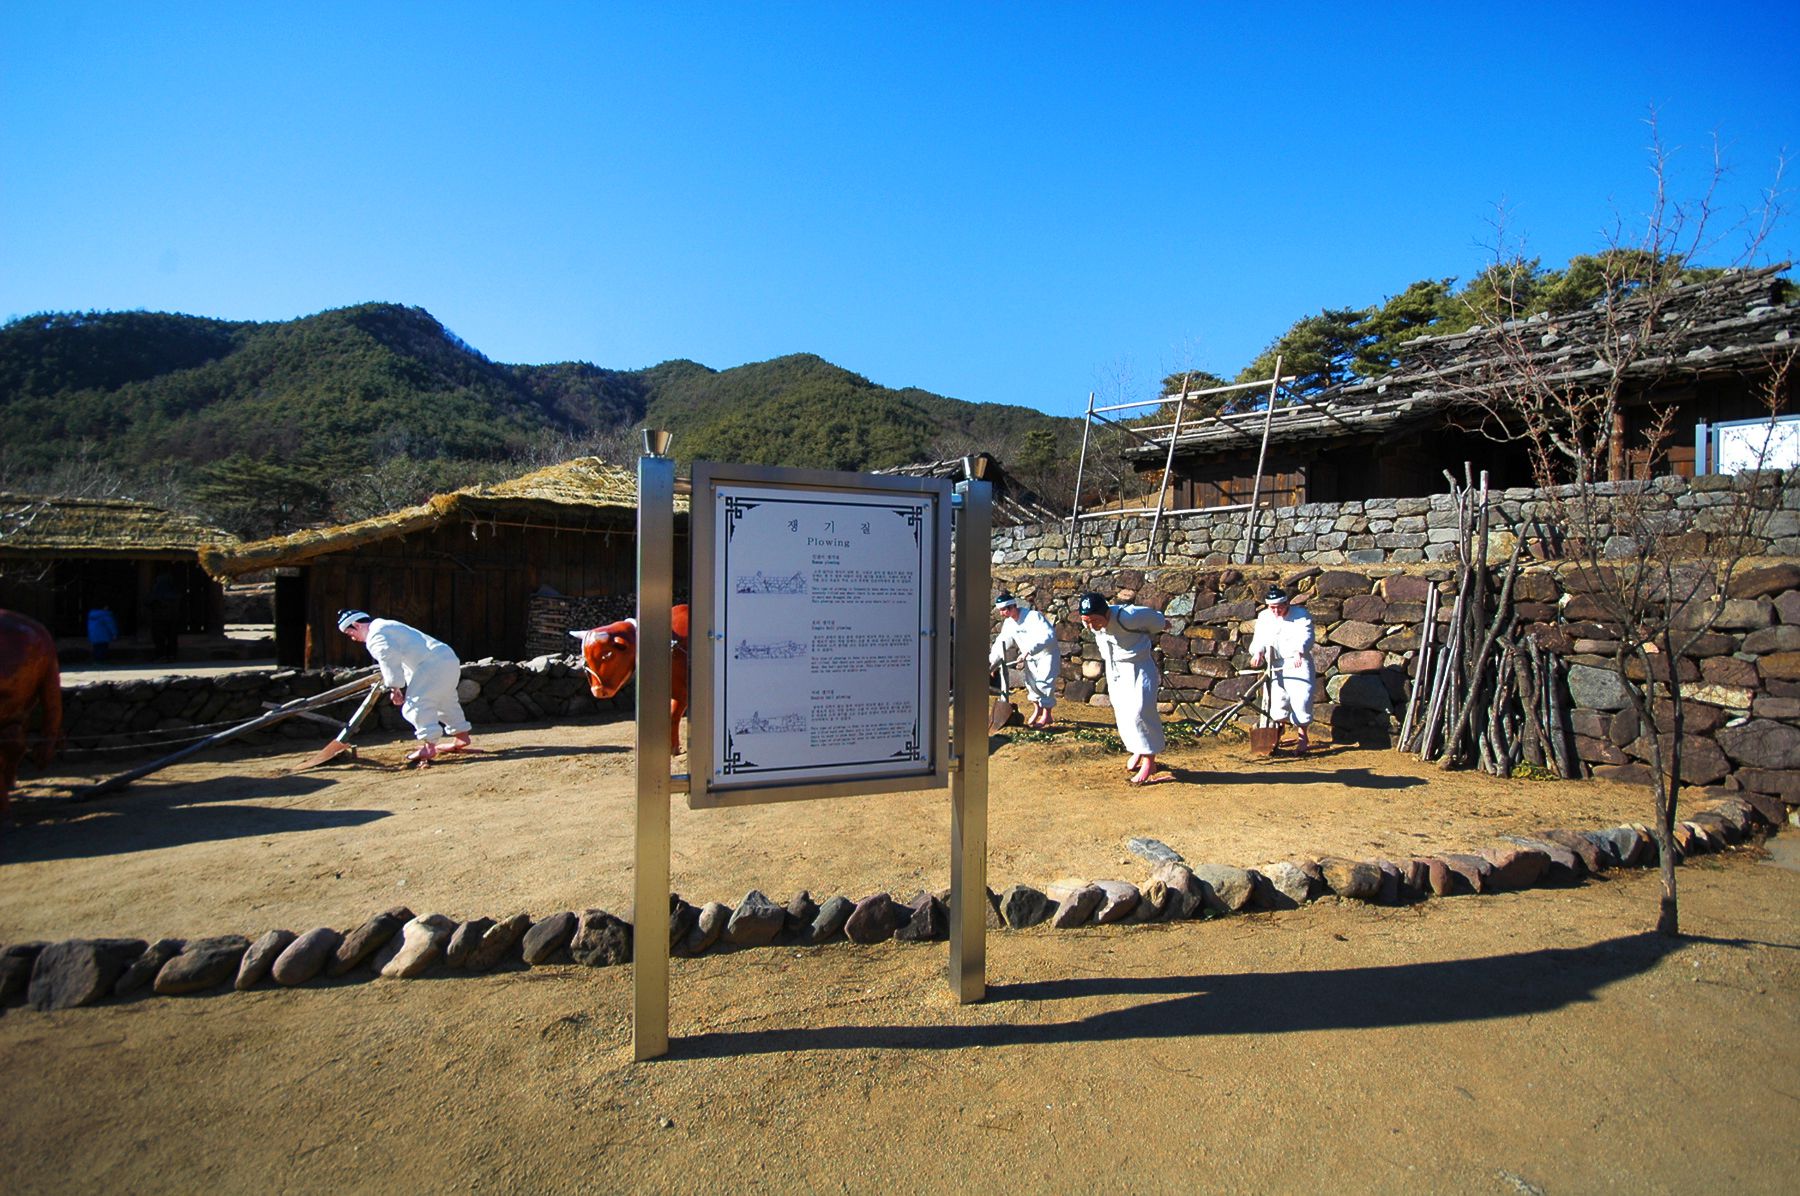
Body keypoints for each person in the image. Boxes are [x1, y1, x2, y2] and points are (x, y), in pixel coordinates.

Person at [337, 609, 473, 763]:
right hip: (447, 658)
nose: (352, 638)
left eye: (349, 633)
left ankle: (429, 747)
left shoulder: (376, 635)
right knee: (445, 700)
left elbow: (388, 659)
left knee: (416, 705)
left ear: (356, 625)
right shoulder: (387, 625)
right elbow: (407, 660)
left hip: (431, 664)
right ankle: (462, 737)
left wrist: (394, 687)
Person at [1076, 591, 1167, 785]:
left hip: (1137, 665)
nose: (1091, 626)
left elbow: (1156, 620)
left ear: (1106, 613)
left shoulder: (1128, 616)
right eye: (1086, 621)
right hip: (1114, 667)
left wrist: (1161, 623)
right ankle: (1138, 748)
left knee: (1140, 709)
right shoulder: (1090, 622)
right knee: (1122, 710)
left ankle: (1149, 760)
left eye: (1095, 620)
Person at [1248, 584, 1317, 753]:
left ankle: (1303, 737)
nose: (1275, 611)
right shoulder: (1264, 617)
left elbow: (1307, 634)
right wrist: (1258, 652)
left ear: (1286, 604)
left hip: (1297, 662)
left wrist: (1300, 650)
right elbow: (1259, 639)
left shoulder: (1301, 615)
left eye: (1279, 607)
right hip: (1275, 664)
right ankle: (1277, 733)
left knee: (1302, 699)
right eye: (1272, 607)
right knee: (1278, 701)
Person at [988, 590, 1062, 728]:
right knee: (1031, 684)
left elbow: (1049, 636)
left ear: (1013, 607)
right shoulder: (1009, 623)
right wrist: (993, 662)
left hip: (1046, 654)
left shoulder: (1033, 617)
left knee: (1044, 684)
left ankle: (1047, 715)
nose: (1002, 613)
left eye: (1004, 610)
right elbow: (1002, 642)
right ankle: (1037, 709)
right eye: (1000, 610)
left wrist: (1030, 650)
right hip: (1030, 658)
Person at [146, 571, 182, 662]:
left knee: (159, 638)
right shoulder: (174, 593)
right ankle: (172, 655)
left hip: (158, 619)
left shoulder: (156, 592)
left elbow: (148, 603)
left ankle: (161, 656)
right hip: (172, 619)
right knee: (172, 638)